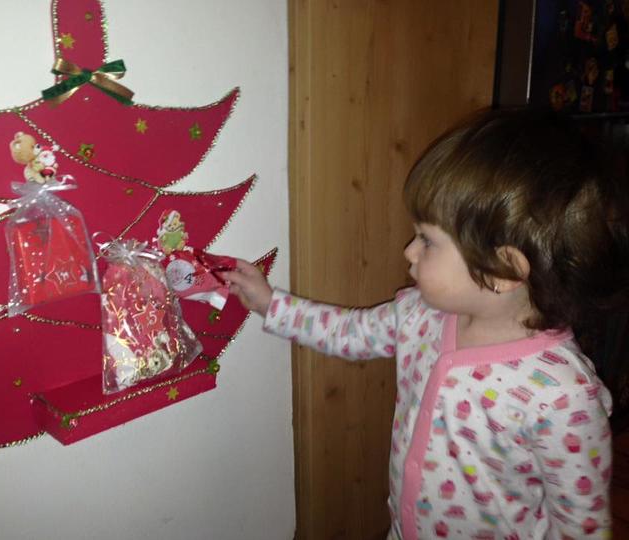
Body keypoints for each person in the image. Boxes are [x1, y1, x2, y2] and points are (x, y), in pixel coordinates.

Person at [222, 108, 629, 539]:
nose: (409, 251)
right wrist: (270, 304)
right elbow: (350, 333)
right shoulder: (421, 315)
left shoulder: (562, 395)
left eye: (427, 240)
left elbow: (581, 526)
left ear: (503, 270)